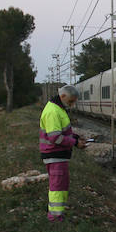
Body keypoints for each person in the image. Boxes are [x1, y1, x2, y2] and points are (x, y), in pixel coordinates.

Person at [39, 85, 86, 222]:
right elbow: (55, 138)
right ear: (63, 96)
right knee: (57, 187)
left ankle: (58, 214)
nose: (72, 105)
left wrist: (75, 137)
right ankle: (55, 218)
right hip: (54, 155)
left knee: (61, 185)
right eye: (71, 101)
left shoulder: (58, 108)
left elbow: (62, 132)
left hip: (58, 156)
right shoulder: (53, 111)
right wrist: (75, 143)